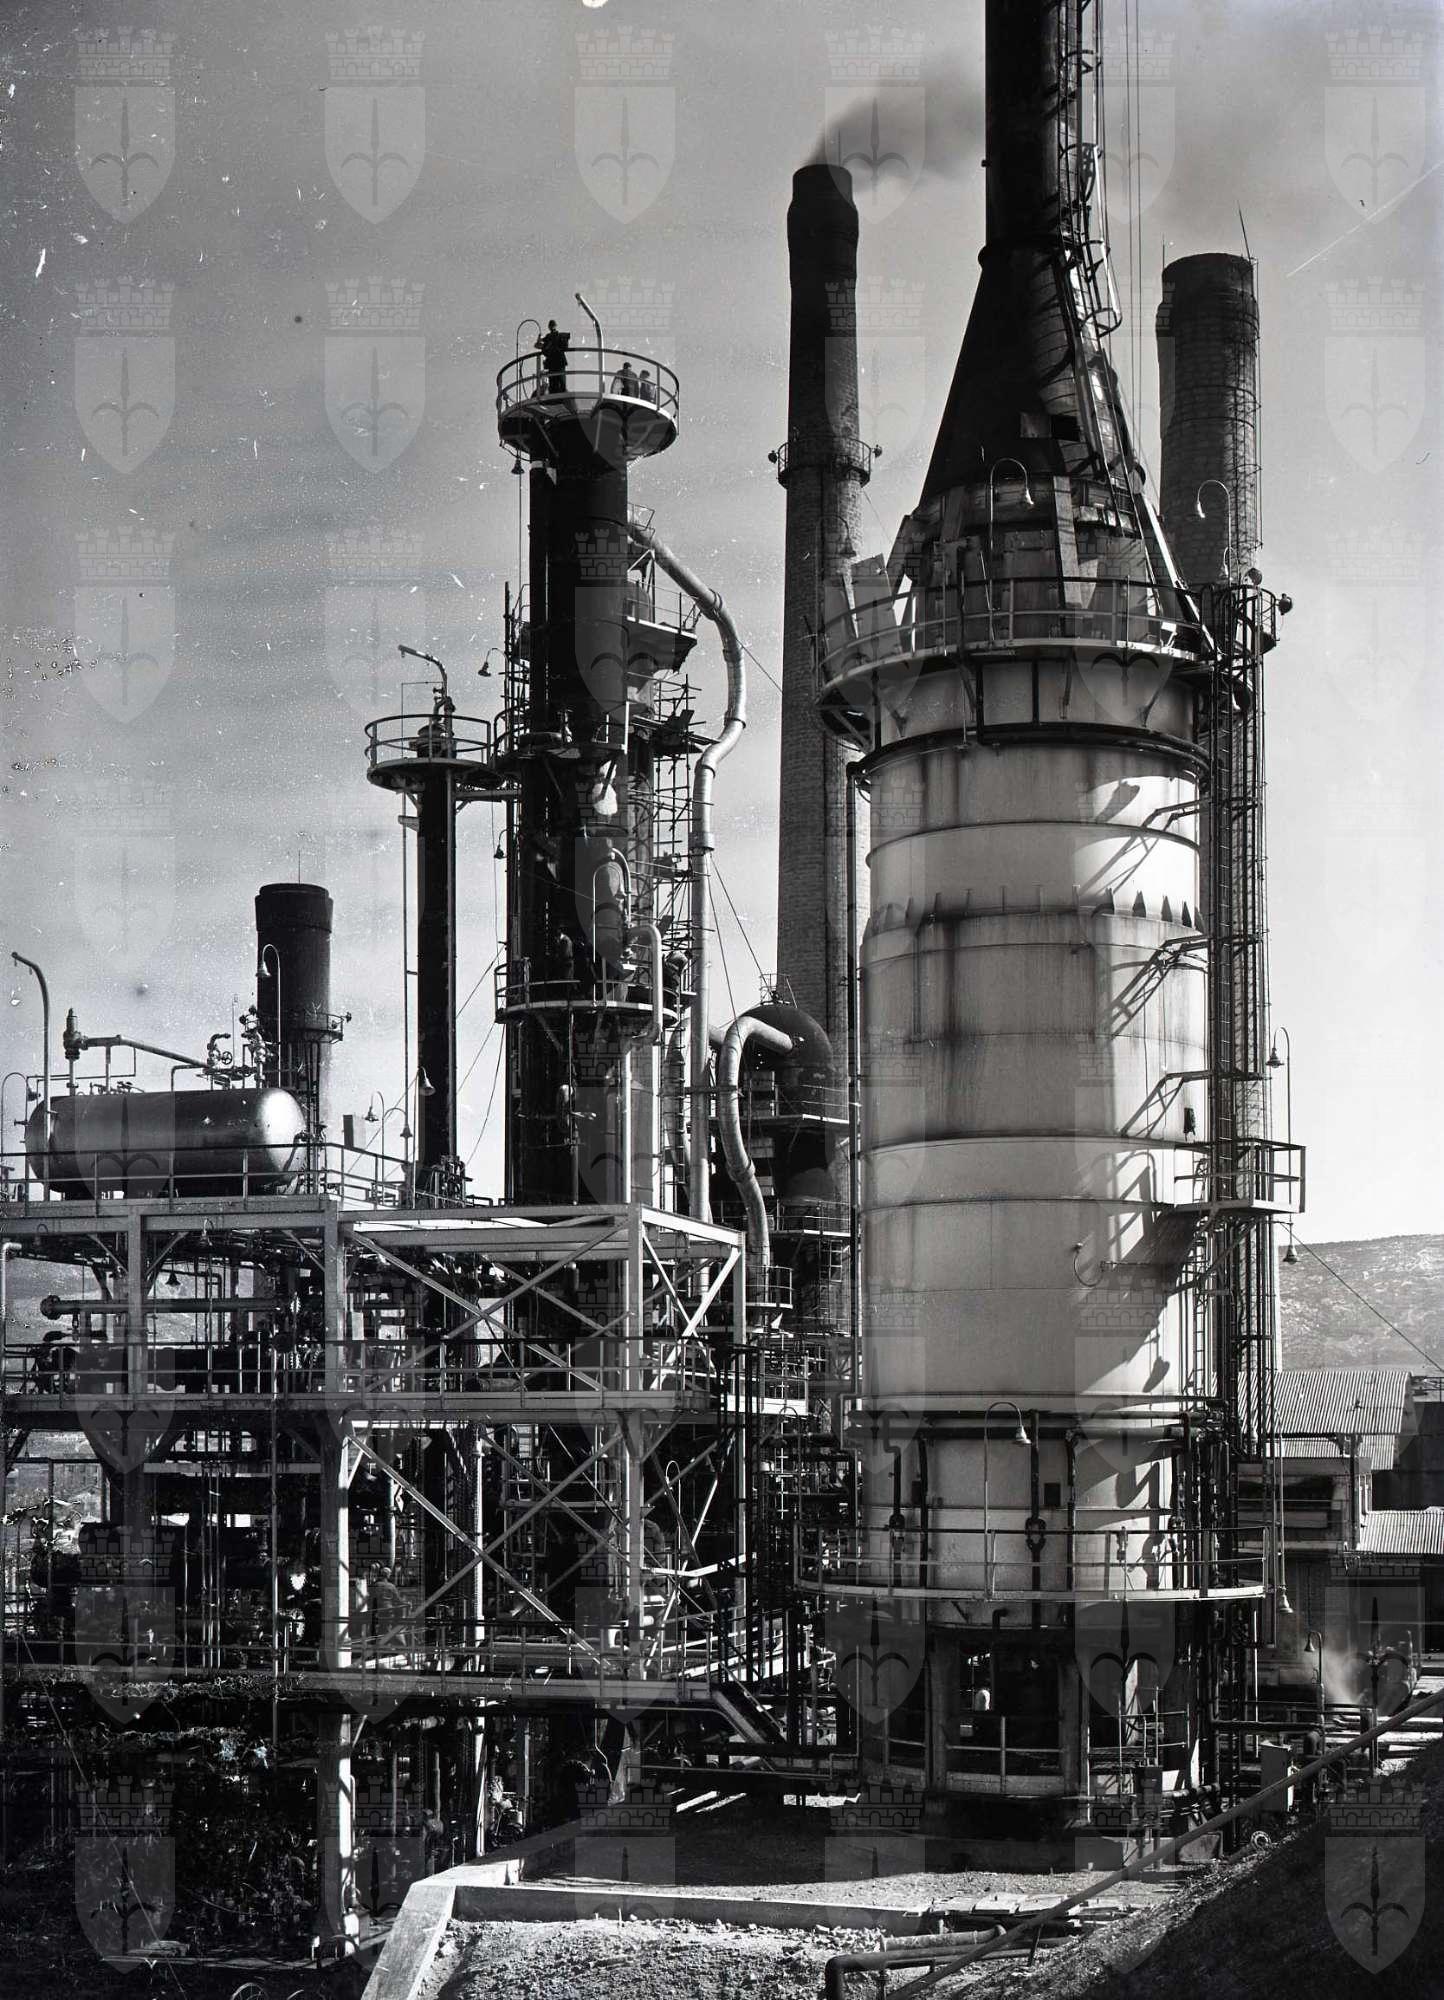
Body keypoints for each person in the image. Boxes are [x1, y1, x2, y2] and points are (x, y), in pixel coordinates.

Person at [536, 319, 570, 394]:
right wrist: (540, 339)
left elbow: (538, 345)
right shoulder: (555, 337)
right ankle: (561, 395)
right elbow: (538, 345)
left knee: (557, 383)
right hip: (557, 362)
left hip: (554, 363)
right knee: (557, 383)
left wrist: (540, 339)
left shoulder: (551, 337)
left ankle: (559, 395)